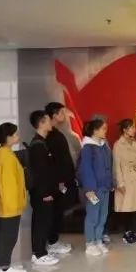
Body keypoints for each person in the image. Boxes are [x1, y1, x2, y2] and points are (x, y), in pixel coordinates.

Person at [0, 123, 28, 272]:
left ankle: (3, 264)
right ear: (8, 137)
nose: (17, 136)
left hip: (8, 203)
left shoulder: (3, 153)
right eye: (15, 134)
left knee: (5, 235)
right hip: (9, 204)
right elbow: (8, 184)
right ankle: (3, 268)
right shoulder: (4, 156)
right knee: (7, 236)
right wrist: (15, 204)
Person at [28, 110, 61, 267]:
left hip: (46, 191)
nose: (51, 123)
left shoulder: (43, 142)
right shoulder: (37, 145)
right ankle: (38, 253)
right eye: (48, 120)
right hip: (41, 193)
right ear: (41, 123)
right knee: (41, 222)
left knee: (46, 221)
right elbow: (39, 172)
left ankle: (42, 250)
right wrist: (45, 192)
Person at [78, 118, 115, 256]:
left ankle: (98, 240)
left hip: (105, 187)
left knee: (102, 216)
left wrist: (111, 183)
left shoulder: (104, 146)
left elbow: (109, 166)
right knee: (92, 216)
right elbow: (86, 169)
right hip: (94, 189)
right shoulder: (87, 148)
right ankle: (90, 243)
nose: (106, 131)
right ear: (95, 130)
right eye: (103, 129)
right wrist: (89, 189)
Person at [44, 102, 76, 255]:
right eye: (62, 113)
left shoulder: (56, 132)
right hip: (57, 182)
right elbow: (54, 161)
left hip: (63, 180)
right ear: (54, 115)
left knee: (59, 211)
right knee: (54, 212)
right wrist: (60, 181)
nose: (65, 116)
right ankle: (51, 242)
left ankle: (54, 239)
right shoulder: (50, 135)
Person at [113, 119, 136, 244]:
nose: (134, 130)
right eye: (132, 127)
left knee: (134, 207)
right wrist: (120, 183)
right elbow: (116, 165)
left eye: (134, 127)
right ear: (125, 130)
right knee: (125, 207)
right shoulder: (118, 145)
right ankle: (126, 233)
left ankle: (131, 231)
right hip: (126, 179)